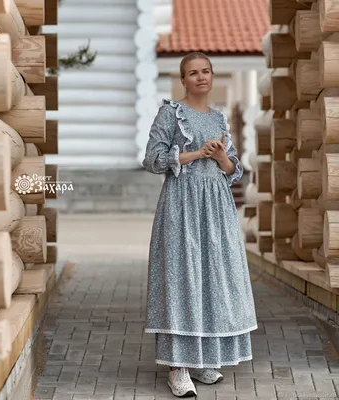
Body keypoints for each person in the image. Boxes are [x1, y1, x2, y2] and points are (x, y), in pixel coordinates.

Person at [142, 52, 258, 398]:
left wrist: (221, 156)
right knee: (183, 277)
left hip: (217, 207)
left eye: (205, 71)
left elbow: (231, 170)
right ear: (183, 79)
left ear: (211, 75)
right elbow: (151, 159)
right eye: (192, 72)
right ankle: (178, 367)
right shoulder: (170, 114)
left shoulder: (220, 119)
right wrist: (194, 154)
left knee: (214, 276)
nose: (200, 77)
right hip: (182, 204)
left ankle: (206, 358)